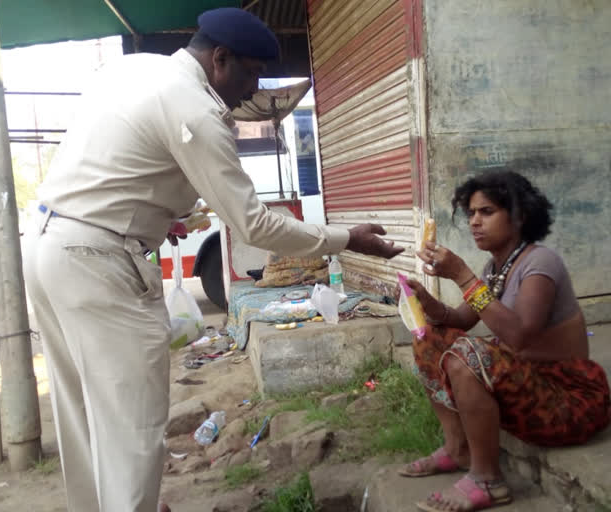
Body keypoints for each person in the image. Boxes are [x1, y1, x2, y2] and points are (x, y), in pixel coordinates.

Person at [21, 8, 402, 512]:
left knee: (85, 416)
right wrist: (345, 238)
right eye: (249, 75)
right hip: (99, 260)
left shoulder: (137, 69)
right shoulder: (196, 110)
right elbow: (256, 225)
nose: (250, 92)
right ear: (219, 58)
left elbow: (119, 164)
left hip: (51, 242)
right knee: (134, 423)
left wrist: (157, 213)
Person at [399, 171, 611, 511]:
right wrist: (425, 301)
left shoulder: (540, 262)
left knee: (470, 355)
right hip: (529, 386)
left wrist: (462, 275)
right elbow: (459, 320)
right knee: (429, 338)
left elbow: (518, 336)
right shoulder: (495, 269)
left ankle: (488, 479)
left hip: (568, 400)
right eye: (471, 213)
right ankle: (458, 448)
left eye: (487, 212)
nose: (474, 222)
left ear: (519, 216)